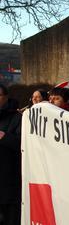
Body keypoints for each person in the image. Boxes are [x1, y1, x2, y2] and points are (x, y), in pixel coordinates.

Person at [0, 84, 21, 225]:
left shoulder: (17, 117)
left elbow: (23, 144)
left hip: (8, 180)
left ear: (6, 97)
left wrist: (3, 136)